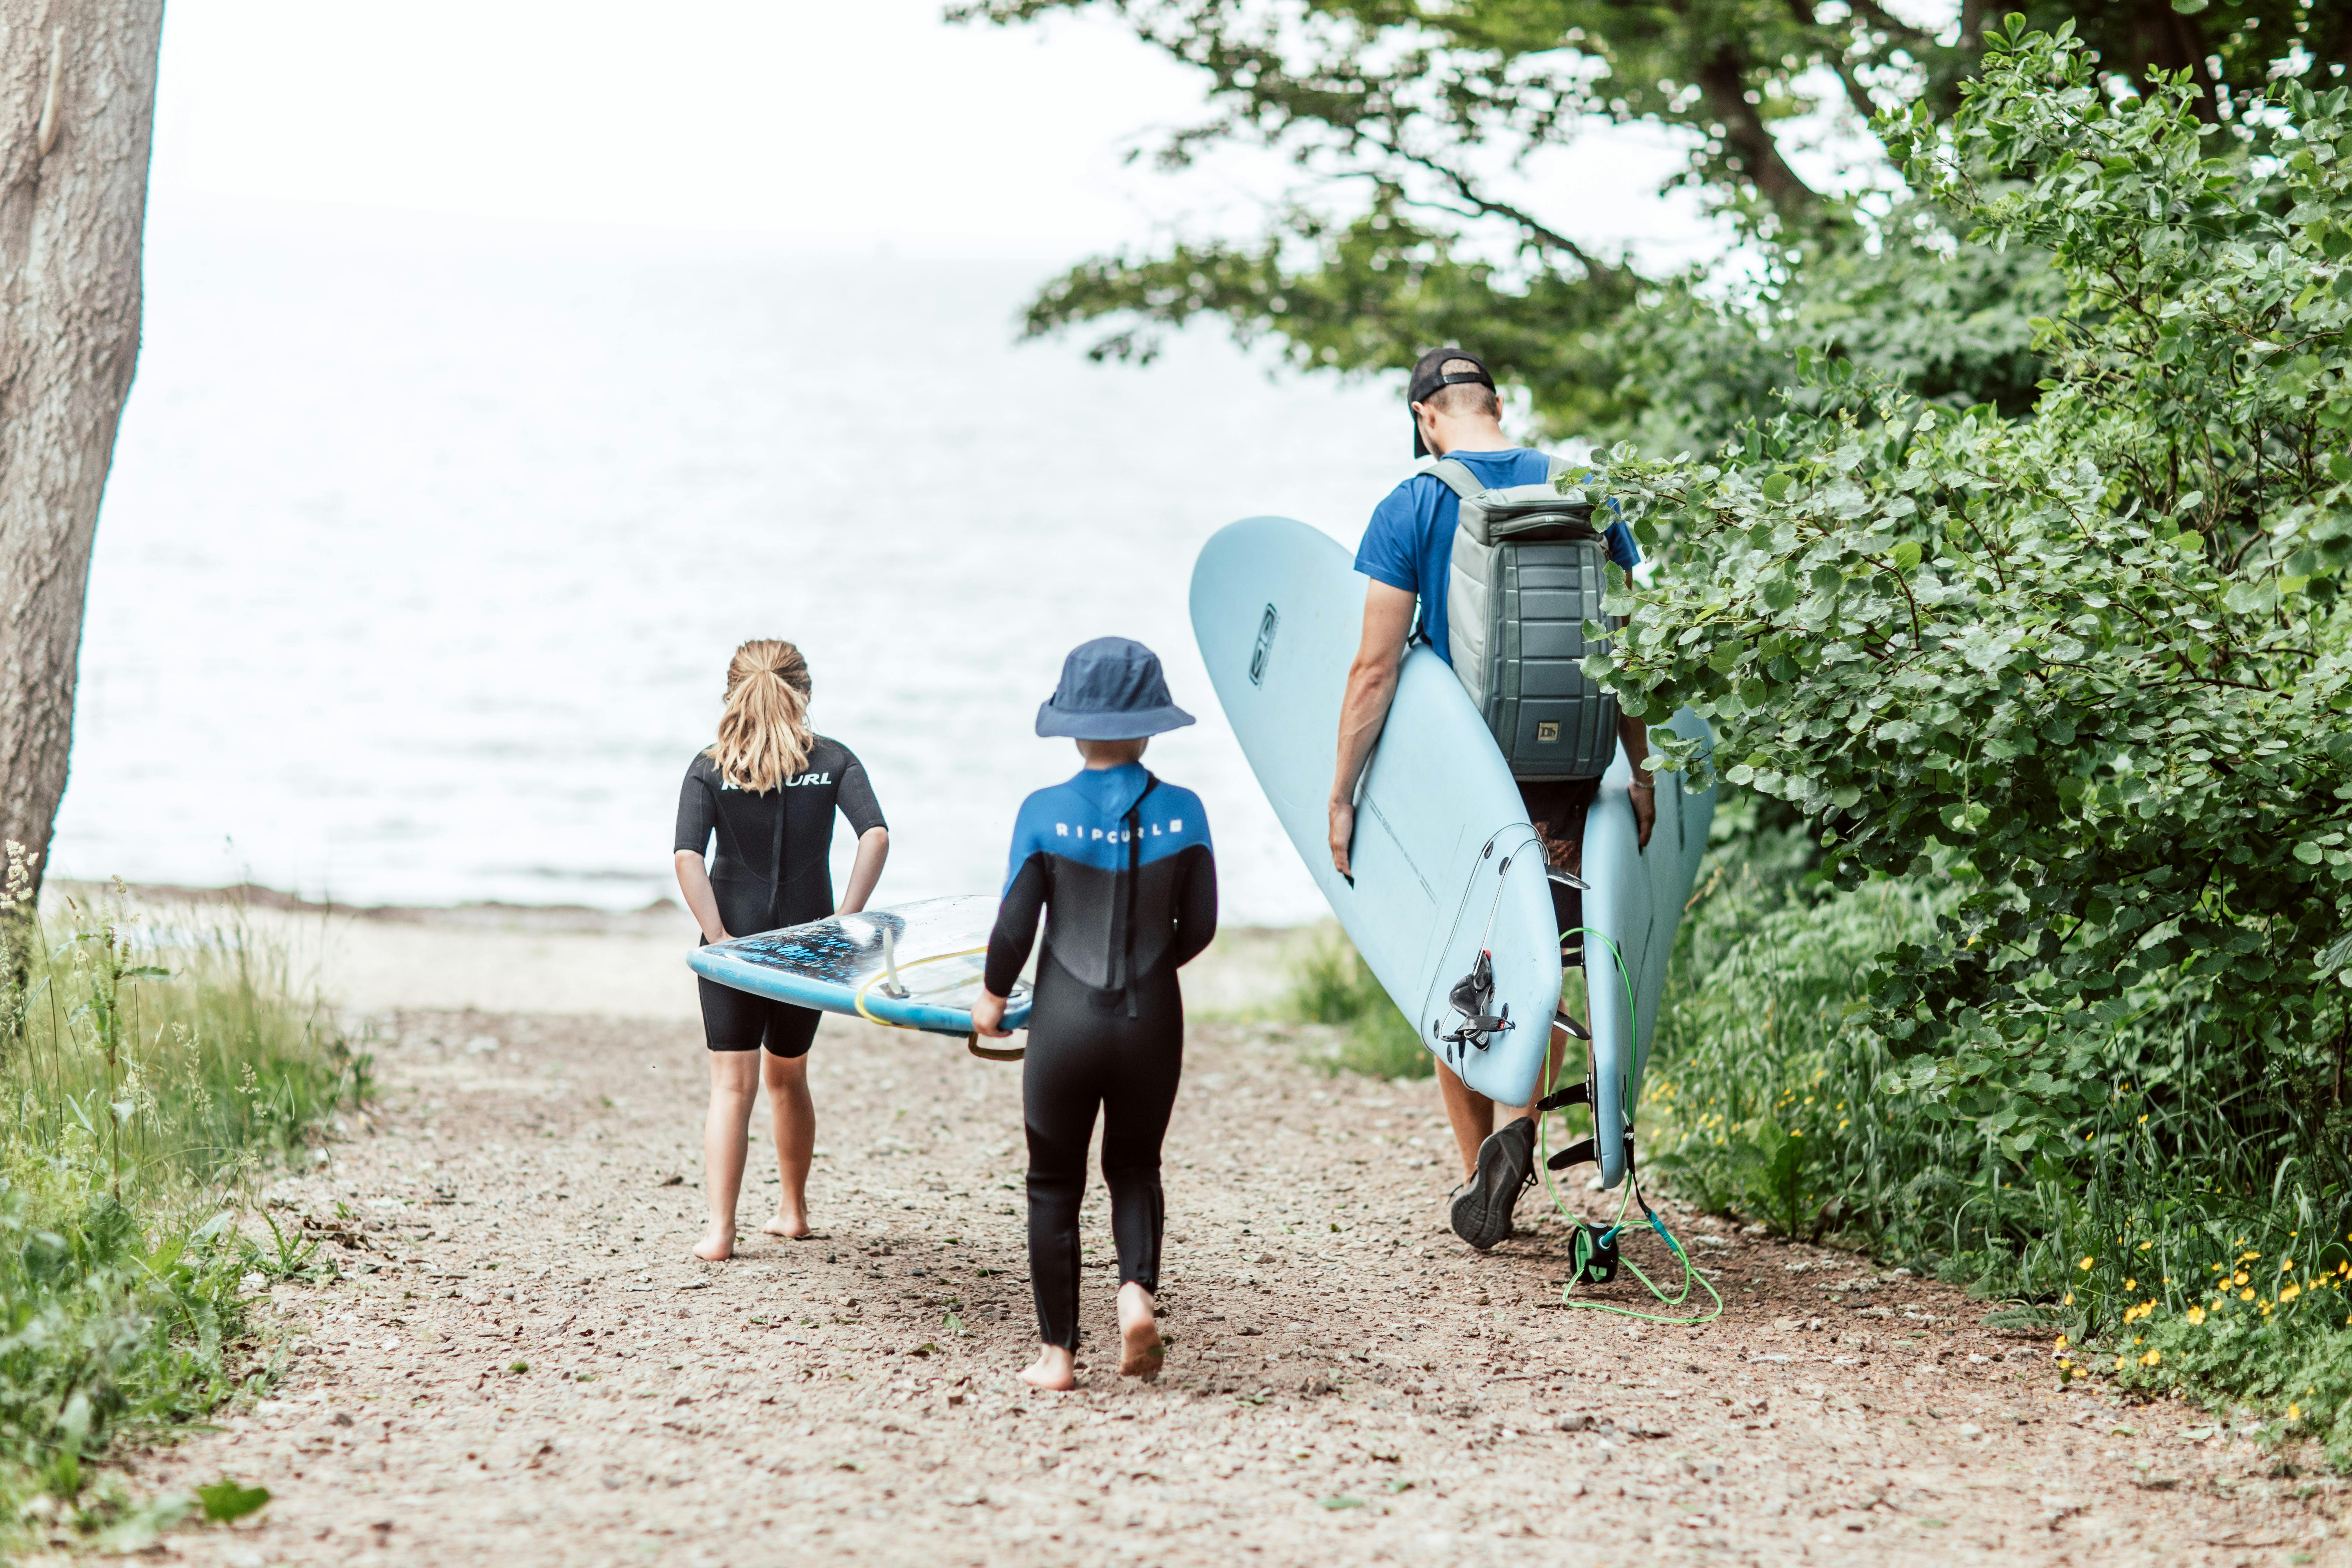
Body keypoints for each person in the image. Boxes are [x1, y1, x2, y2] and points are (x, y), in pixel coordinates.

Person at [1327, 348, 1655, 1252]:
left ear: (1426, 419)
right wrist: (1641, 769)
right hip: (1570, 775)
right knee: (1543, 958)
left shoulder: (1416, 501)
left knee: (1459, 972)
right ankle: (1522, 1117)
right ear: (1497, 406)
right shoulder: (1586, 488)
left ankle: (1484, 1172)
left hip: (1468, 781)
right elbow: (1628, 648)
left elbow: (1375, 668)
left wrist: (1344, 791)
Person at [971, 638, 1218, 1392]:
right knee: (1136, 1166)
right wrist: (1144, 975)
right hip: (1152, 1021)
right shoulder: (1187, 811)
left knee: (1053, 1182)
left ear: (1074, 729)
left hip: (1064, 1024)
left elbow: (1017, 925)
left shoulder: (1044, 812)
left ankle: (1058, 1356)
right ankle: (1135, 1295)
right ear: (1150, 728)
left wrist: (991, 997)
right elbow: (1200, 926)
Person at [673, 638, 888, 1262]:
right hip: (808, 942)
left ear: (732, 692)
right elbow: (874, 835)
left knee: (730, 1086)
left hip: (733, 942)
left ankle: (720, 1232)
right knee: (787, 1074)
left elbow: (688, 857)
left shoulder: (710, 766)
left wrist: (717, 938)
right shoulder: (836, 760)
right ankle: (793, 1212)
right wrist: (844, 919)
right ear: (807, 693)